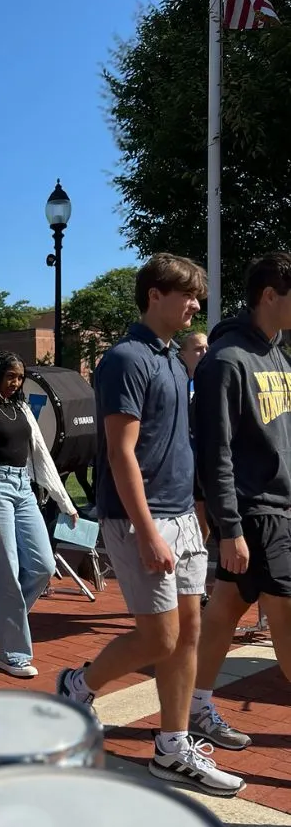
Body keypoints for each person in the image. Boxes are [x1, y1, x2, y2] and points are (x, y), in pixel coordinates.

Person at [57, 254, 243, 797]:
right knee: (159, 637)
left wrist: (197, 514)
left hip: (181, 514)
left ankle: (173, 746)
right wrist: (147, 530)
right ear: (155, 294)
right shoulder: (126, 359)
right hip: (143, 518)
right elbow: (120, 453)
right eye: (187, 294)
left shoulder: (171, 359)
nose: (195, 305)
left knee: (188, 635)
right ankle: (78, 684)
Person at [190, 252, 291, 751]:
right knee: (288, 621)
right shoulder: (227, 361)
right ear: (270, 295)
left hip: (280, 508)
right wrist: (229, 527)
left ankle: (193, 705)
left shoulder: (278, 353)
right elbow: (215, 452)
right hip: (257, 512)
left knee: (226, 607)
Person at [0, 352, 77, 677]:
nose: (15, 383)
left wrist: (64, 500)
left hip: (23, 489)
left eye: (19, 377)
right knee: (7, 573)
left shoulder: (22, 408)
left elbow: (41, 455)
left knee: (44, 565)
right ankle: (12, 652)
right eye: (9, 376)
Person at [179, 332, 210, 543]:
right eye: (198, 349)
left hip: (205, 461)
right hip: (181, 463)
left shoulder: (214, 382)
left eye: (207, 348)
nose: (205, 353)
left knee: (203, 512)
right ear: (183, 355)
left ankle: (201, 549)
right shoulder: (177, 382)